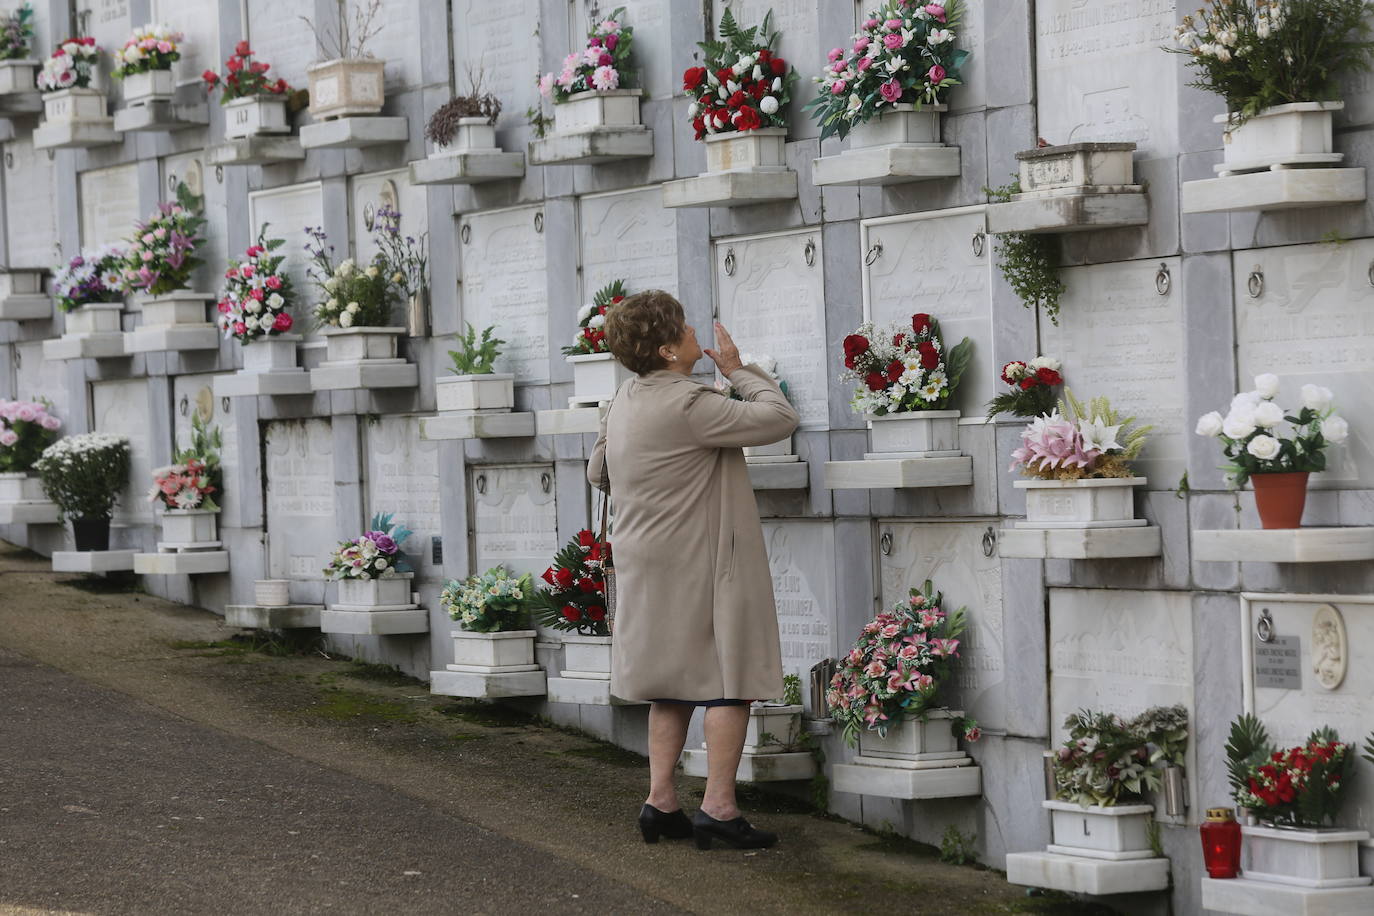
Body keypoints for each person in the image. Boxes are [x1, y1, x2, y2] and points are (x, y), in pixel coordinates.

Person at [588, 289, 799, 851]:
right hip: (700, 559)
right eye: (681, 328)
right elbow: (779, 418)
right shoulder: (688, 402)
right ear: (665, 349)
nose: (692, 334)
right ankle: (719, 809)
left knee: (670, 683)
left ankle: (660, 803)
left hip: (645, 558)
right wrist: (737, 369)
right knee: (728, 680)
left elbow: (597, 469)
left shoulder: (626, 397)